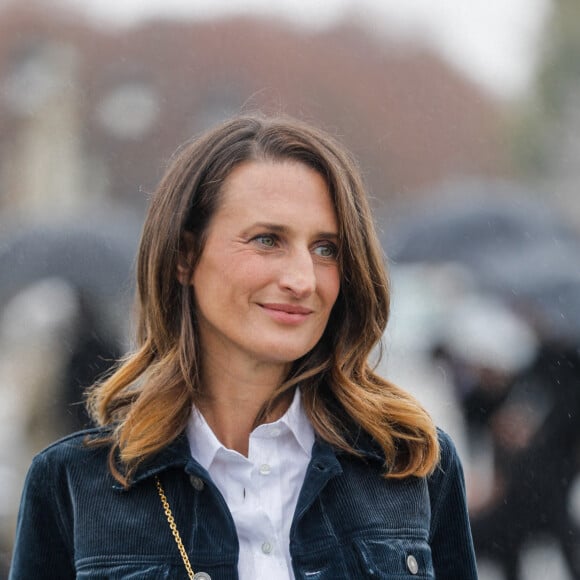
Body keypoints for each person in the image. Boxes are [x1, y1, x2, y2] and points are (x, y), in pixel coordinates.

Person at [9, 113, 477, 579]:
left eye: (326, 249)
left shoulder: (411, 464)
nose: (302, 280)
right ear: (185, 256)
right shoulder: (73, 484)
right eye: (268, 240)